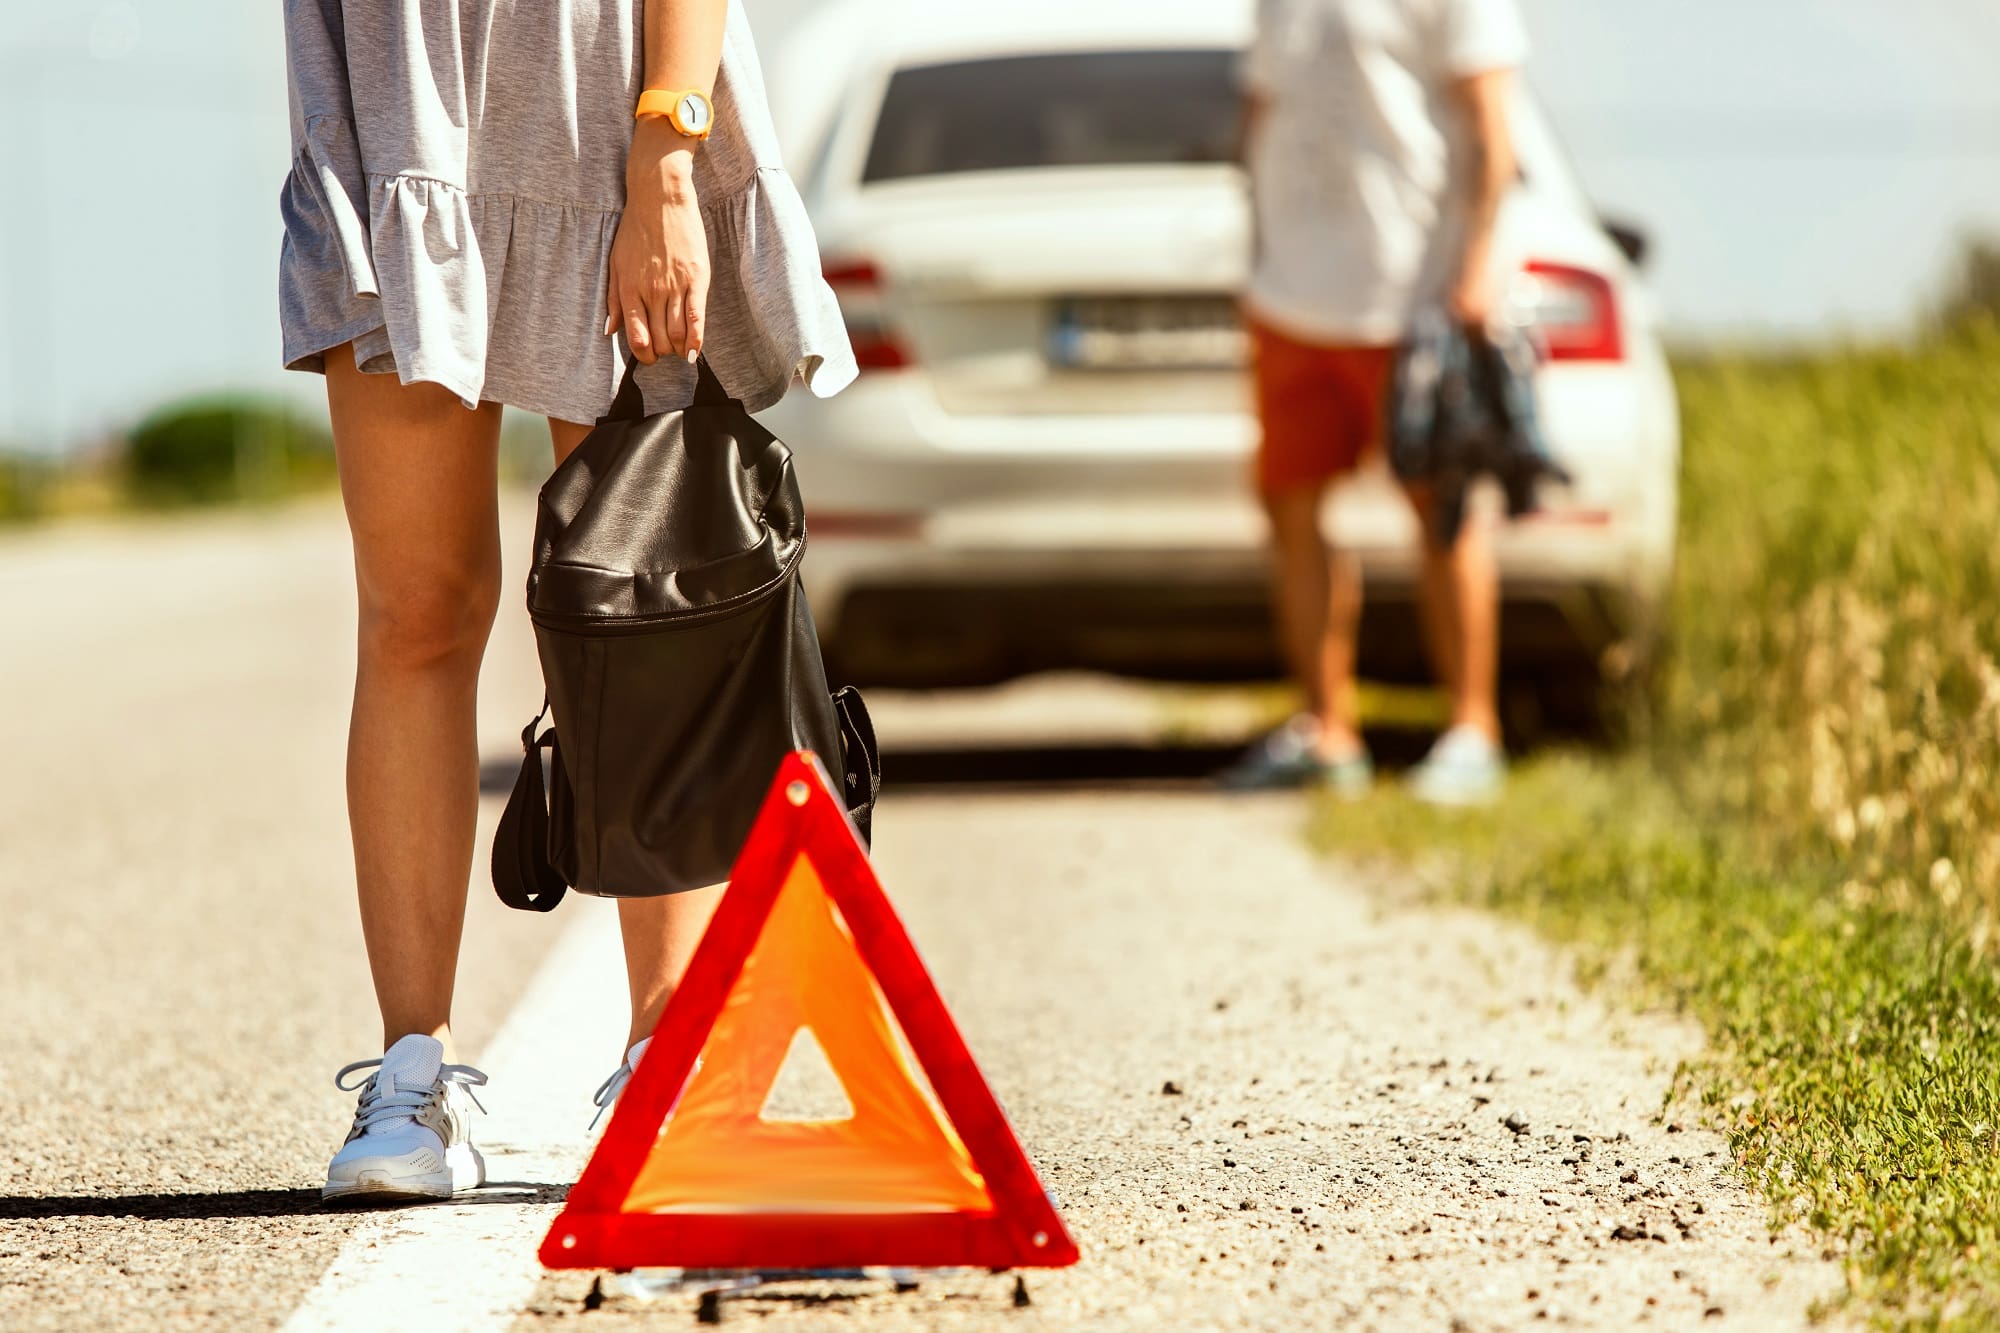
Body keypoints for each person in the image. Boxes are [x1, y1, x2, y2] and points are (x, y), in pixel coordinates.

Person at [278, 0, 856, 1202]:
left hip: (612, 125)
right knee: (415, 609)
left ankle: (664, 1062)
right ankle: (411, 1074)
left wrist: (669, 153)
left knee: (645, 616)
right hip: (401, 139)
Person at [1225, 0, 1527, 804]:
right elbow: (1259, 112)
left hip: (1409, 294)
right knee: (1291, 506)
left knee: (1443, 511)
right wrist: (1251, 256)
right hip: (1290, 296)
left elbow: (1493, 129)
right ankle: (1328, 729)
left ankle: (1472, 729)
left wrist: (1475, 268)